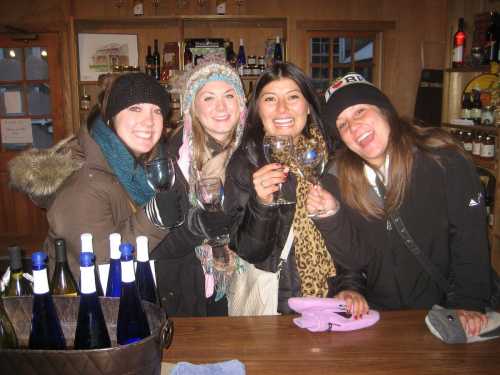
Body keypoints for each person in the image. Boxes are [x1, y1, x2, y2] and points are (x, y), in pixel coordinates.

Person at [315, 72, 492, 336]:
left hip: (446, 314)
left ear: (385, 111)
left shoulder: (443, 159)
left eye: (360, 111)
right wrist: (350, 288)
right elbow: (353, 257)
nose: (353, 127)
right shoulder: (338, 177)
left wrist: (468, 302)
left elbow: (470, 238)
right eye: (342, 124)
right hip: (379, 320)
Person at [225, 63, 367, 316]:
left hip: (332, 303)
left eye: (293, 97)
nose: (282, 108)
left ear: (308, 106)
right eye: (270, 99)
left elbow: (353, 243)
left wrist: (351, 287)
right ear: (258, 109)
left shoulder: (334, 161)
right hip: (276, 308)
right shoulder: (244, 163)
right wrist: (262, 204)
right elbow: (249, 252)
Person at [8, 72, 181, 277]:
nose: (149, 121)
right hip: (85, 303)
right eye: (135, 108)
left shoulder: (143, 163)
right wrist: (155, 219)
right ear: (110, 118)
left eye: (157, 111)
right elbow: (101, 263)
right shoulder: (82, 182)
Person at [152, 58, 246, 316]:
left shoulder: (255, 155)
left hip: (244, 285)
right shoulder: (169, 160)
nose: (221, 107)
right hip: (186, 288)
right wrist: (199, 226)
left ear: (242, 104)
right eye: (208, 98)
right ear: (192, 108)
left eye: (229, 95)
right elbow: (155, 245)